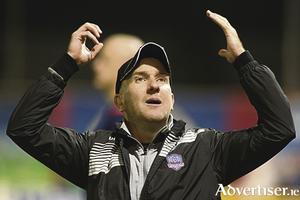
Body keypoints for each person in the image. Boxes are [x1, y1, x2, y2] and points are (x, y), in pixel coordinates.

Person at [7, 10, 295, 200]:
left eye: (163, 78)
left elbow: (279, 128)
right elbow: (24, 128)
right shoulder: (93, 150)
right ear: (119, 102)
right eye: (141, 78)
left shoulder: (208, 149)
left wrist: (244, 62)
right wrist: (66, 65)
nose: (155, 84)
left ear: (172, 99)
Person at [87, 33, 144, 131]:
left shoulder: (125, 120)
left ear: (124, 67)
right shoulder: (115, 112)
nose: (95, 65)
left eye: (104, 59)